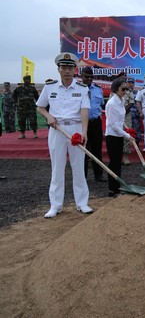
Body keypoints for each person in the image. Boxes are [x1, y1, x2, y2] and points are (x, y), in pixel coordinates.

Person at [36, 52, 93, 218]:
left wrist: (84, 132)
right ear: (58, 69)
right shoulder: (50, 87)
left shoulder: (82, 88)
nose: (67, 70)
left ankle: (82, 203)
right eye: (63, 67)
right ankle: (55, 206)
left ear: (75, 70)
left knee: (78, 168)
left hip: (75, 129)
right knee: (57, 168)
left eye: (70, 67)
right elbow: (40, 106)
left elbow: (84, 110)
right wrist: (48, 117)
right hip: (57, 130)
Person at [105, 78, 136, 197]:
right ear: (116, 88)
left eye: (126, 89)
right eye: (123, 89)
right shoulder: (111, 103)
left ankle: (117, 188)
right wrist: (127, 136)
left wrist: (126, 129)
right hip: (112, 136)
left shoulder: (121, 100)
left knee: (118, 162)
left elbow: (120, 119)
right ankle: (112, 190)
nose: (125, 91)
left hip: (118, 135)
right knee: (114, 162)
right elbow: (113, 124)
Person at [80, 67, 106, 182]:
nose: (89, 78)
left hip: (96, 122)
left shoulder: (98, 89)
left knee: (97, 149)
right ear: (81, 76)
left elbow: (100, 105)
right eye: (87, 76)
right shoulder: (77, 89)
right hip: (82, 124)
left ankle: (98, 175)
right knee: (82, 151)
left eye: (91, 76)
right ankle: (83, 177)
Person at [13, 74, 39, 139]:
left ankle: (35, 133)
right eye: (27, 79)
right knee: (21, 121)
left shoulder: (32, 89)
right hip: (21, 108)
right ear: (24, 80)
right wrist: (16, 103)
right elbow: (14, 96)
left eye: (29, 79)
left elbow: (37, 97)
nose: (28, 81)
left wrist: (37, 105)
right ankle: (22, 134)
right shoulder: (19, 89)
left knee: (33, 121)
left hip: (31, 108)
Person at [127, 78, 141, 144]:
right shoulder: (124, 93)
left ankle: (137, 143)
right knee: (128, 130)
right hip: (127, 115)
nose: (130, 84)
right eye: (129, 83)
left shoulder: (137, 93)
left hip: (135, 115)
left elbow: (140, 103)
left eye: (132, 83)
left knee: (137, 129)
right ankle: (127, 145)